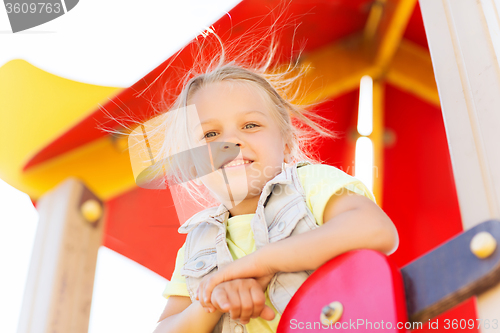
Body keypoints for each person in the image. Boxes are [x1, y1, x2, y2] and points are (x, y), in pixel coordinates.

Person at [147, 31, 399, 333]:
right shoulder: (194, 247)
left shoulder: (308, 184)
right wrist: (213, 299)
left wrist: (261, 263)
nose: (231, 141)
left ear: (287, 142)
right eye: (210, 135)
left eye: (250, 125)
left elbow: (376, 230)